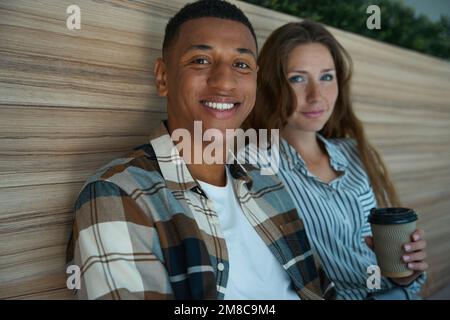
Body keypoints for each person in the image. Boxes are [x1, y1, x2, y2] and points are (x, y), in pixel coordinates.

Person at [66, 1, 335, 300]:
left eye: (241, 64)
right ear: (163, 77)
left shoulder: (267, 183)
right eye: (201, 60)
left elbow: (322, 288)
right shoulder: (117, 194)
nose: (224, 81)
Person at [244, 20, 428, 300]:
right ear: (272, 84)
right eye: (298, 78)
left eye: (326, 77)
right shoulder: (252, 161)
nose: (316, 96)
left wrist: (407, 270)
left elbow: (374, 256)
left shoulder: (353, 152)